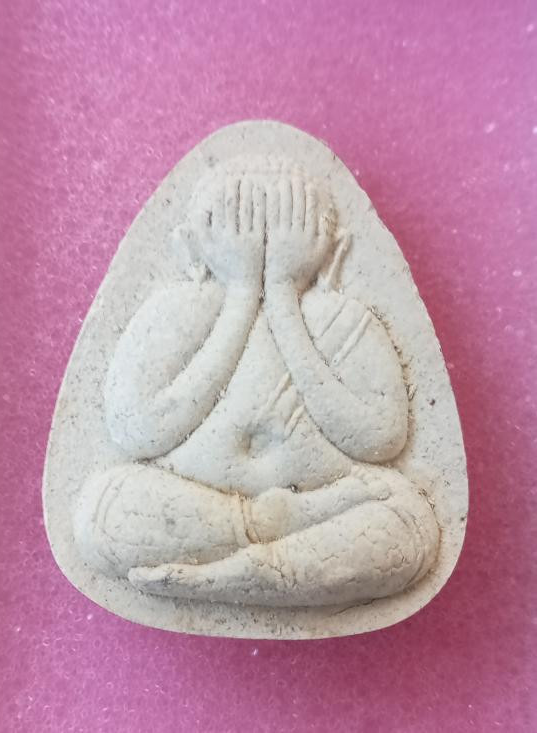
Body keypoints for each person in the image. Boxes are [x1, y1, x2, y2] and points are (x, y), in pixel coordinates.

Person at [74, 159, 439, 607]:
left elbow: (381, 440)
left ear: (334, 252)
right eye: (240, 228)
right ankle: (264, 546)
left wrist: (283, 297)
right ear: (189, 249)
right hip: (213, 513)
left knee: (410, 518)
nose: (263, 248)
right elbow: (136, 431)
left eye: (284, 230)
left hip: (325, 505)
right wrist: (242, 295)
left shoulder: (345, 319)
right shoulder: (173, 312)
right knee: (100, 508)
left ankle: (253, 572)